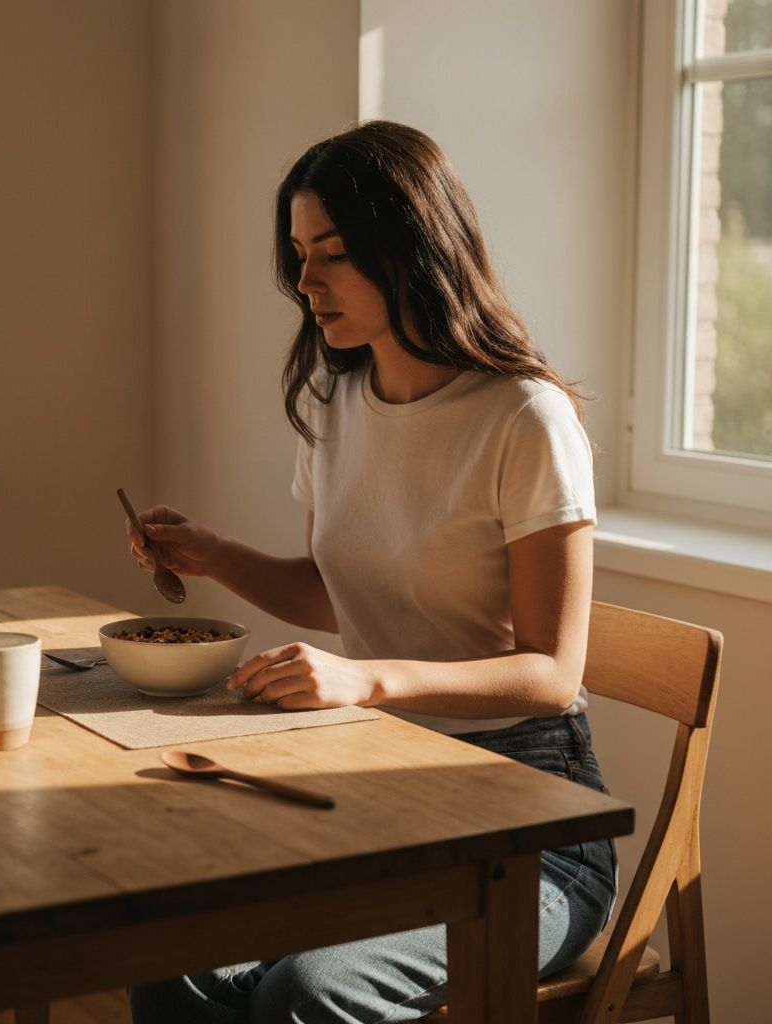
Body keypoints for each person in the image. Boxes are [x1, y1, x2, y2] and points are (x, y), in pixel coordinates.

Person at [125, 120, 617, 1024]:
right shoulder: (332, 400)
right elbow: (334, 590)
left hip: (531, 826)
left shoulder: (525, 418)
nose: (305, 282)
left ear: (413, 250)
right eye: (299, 254)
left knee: (307, 994)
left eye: (335, 254)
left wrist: (366, 680)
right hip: (379, 786)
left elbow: (553, 674)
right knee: (175, 958)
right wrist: (214, 555)